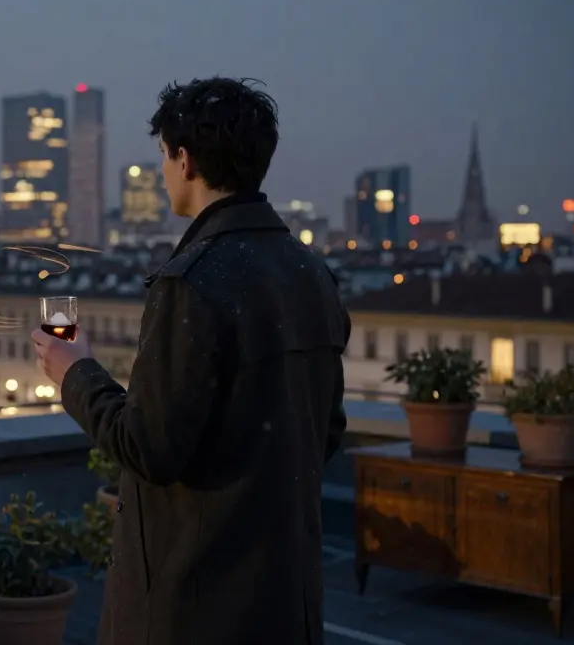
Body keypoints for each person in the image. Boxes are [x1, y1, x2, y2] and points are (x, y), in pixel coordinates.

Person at [32, 77, 350, 645]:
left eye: (163, 156)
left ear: (185, 160)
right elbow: (326, 431)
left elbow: (148, 447)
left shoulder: (193, 283)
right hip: (284, 595)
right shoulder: (312, 273)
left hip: (197, 603)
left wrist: (74, 372)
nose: (162, 173)